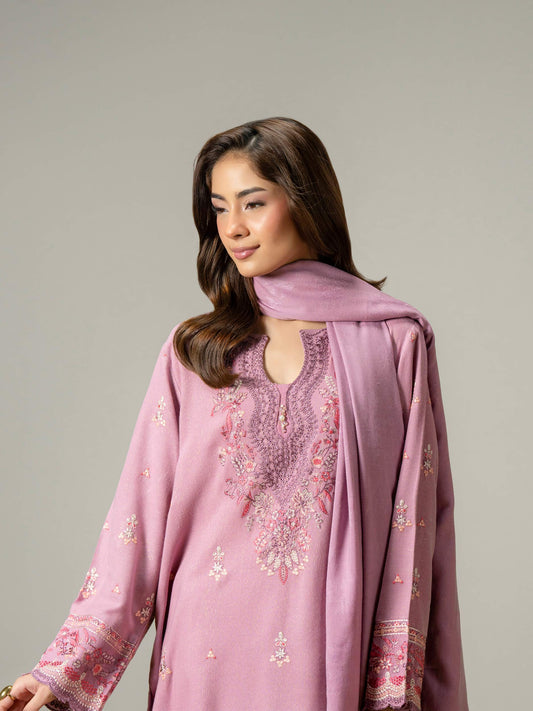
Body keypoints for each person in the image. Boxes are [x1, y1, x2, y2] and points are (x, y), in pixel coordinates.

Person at [0, 117, 469, 711]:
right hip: (202, 655)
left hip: (331, 656)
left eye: (253, 203)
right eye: (219, 209)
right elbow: (138, 519)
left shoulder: (394, 343)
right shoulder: (196, 351)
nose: (233, 228)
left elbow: (416, 530)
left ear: (306, 201)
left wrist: (393, 689)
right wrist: (64, 669)